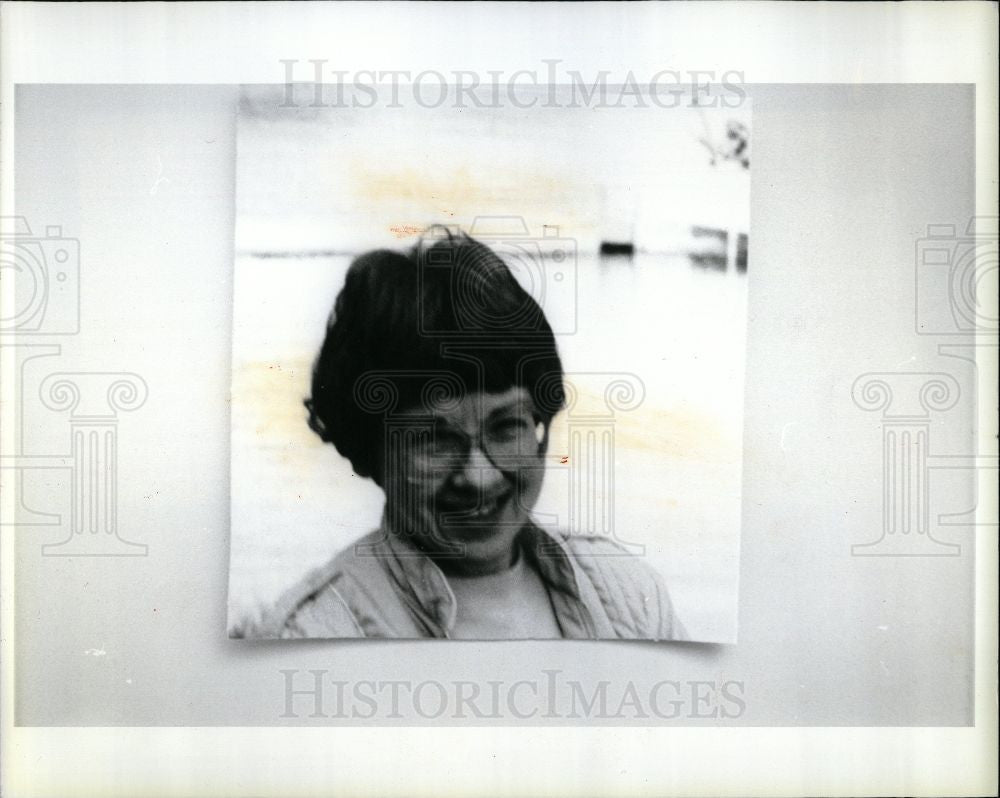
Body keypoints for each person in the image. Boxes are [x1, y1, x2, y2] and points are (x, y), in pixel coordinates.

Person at [257, 229, 685, 640]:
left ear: (543, 427)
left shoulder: (631, 599)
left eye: (505, 427)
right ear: (370, 452)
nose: (479, 477)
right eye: (434, 440)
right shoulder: (316, 632)